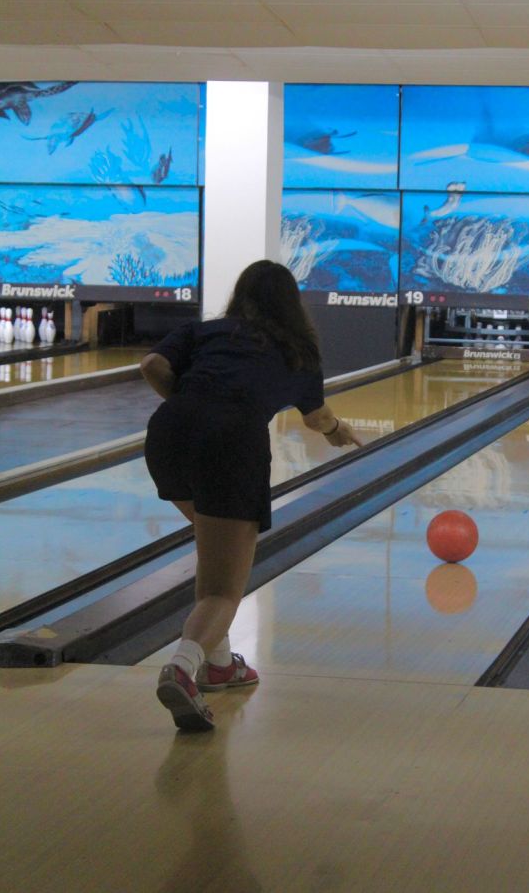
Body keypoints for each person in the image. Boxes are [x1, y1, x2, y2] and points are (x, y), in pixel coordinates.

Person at [141, 260, 361, 732]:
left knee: (215, 552)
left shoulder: (203, 331)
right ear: (292, 304)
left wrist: (189, 403)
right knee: (223, 588)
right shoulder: (298, 351)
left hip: (168, 434)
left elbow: (152, 365)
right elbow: (317, 417)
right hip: (232, 443)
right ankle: (183, 668)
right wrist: (337, 431)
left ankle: (219, 665)